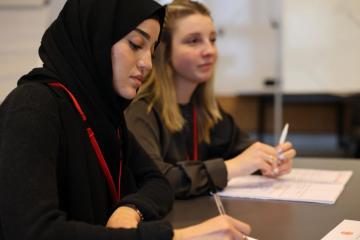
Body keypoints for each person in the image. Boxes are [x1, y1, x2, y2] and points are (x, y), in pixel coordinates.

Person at [0, 0, 252, 239]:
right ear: (96, 38)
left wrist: (131, 208)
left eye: (152, 51)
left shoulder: (105, 115)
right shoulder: (32, 106)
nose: (147, 64)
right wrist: (175, 237)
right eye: (135, 45)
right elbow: (33, 232)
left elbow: (158, 182)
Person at [126, 0, 297, 199]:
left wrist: (269, 160)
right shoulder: (140, 111)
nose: (210, 51)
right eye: (193, 41)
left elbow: (241, 150)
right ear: (163, 51)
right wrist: (232, 167)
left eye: (213, 39)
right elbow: (157, 180)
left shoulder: (206, 109)